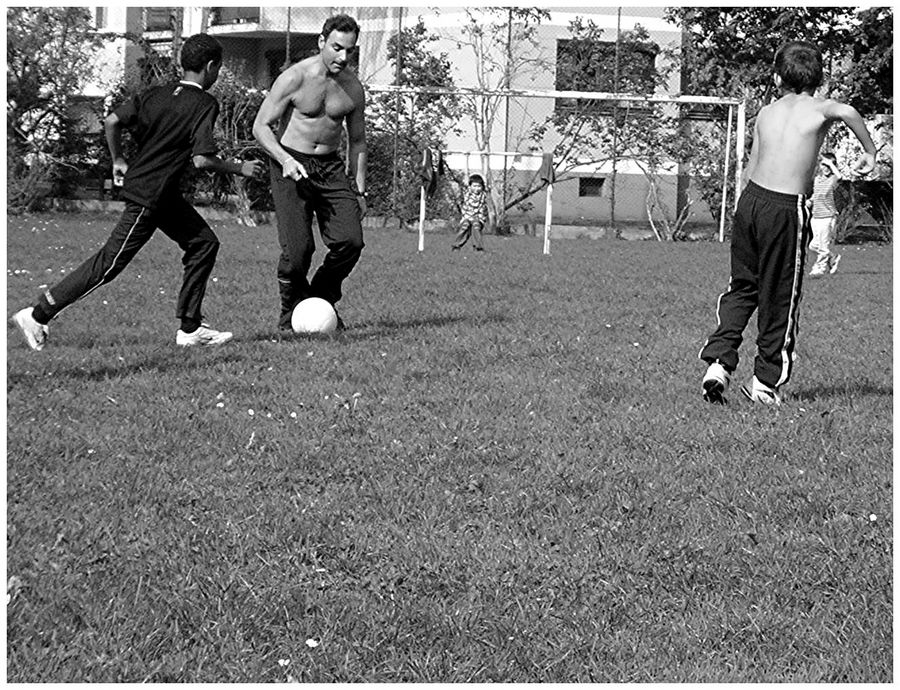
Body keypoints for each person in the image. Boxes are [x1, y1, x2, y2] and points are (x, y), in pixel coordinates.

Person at [10, 34, 263, 351]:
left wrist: (118, 159)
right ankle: (37, 314)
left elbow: (112, 120)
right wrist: (240, 168)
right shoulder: (203, 103)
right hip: (150, 196)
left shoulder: (155, 94)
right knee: (109, 263)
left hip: (159, 193)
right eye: (219, 68)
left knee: (204, 243)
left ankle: (190, 328)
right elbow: (201, 159)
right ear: (212, 67)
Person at [699, 40, 876, 406]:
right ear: (821, 78)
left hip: (750, 204)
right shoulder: (820, 108)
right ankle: (765, 383)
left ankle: (718, 362)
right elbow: (847, 110)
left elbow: (751, 165)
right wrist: (870, 152)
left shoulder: (766, 112)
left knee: (742, 287)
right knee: (780, 295)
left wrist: (739, 210)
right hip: (784, 209)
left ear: (777, 76)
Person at [252, 14, 367, 332]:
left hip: (329, 167)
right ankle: (290, 314)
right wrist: (284, 160)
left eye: (350, 51)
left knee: (351, 241)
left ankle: (319, 300)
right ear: (321, 42)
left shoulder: (353, 89)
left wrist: (359, 191)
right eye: (337, 48)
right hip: (291, 164)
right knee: (298, 250)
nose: (343, 57)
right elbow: (260, 127)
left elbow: (357, 142)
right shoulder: (294, 78)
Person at [809, 152, 842, 276]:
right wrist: (810, 201)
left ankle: (819, 268)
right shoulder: (817, 179)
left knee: (823, 246)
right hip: (815, 216)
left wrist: (829, 163)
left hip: (827, 216)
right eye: (824, 165)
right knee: (813, 245)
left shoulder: (833, 179)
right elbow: (816, 194)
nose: (826, 168)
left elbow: (839, 176)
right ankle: (833, 258)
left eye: (829, 165)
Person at [452, 174, 487, 251]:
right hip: (467, 217)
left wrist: (480, 218)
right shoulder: (467, 195)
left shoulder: (484, 196)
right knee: (465, 226)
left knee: (476, 225)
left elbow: (483, 211)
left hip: (478, 218)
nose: (476, 189)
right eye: (474, 186)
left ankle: (478, 247)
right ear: (470, 187)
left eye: (479, 186)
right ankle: (456, 246)